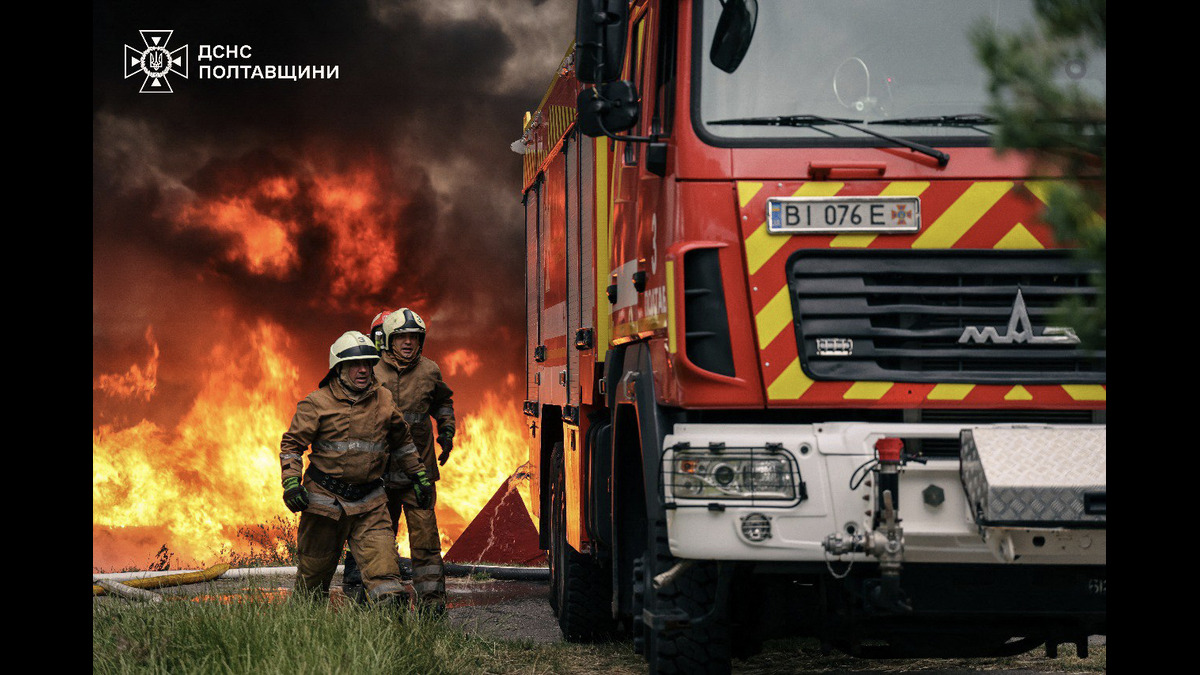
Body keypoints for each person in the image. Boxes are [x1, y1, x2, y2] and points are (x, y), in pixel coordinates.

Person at [280, 330, 434, 607]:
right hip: (324, 505)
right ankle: (301, 642)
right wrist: (291, 483)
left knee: (388, 587)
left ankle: (388, 647)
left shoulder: (385, 400)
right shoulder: (316, 403)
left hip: (370, 505)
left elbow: (403, 443)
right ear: (339, 367)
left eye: (367, 363)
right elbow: (292, 445)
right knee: (311, 588)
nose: (363, 370)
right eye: (355, 364)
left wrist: (419, 475)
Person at [343, 308, 456, 614]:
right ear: (388, 340)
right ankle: (378, 602)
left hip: (418, 474)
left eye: (414, 337)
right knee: (378, 540)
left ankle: (432, 606)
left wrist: (447, 430)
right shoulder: (371, 370)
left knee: (426, 543)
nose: (408, 342)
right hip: (378, 475)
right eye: (402, 337)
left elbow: (443, 401)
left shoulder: (430, 371)